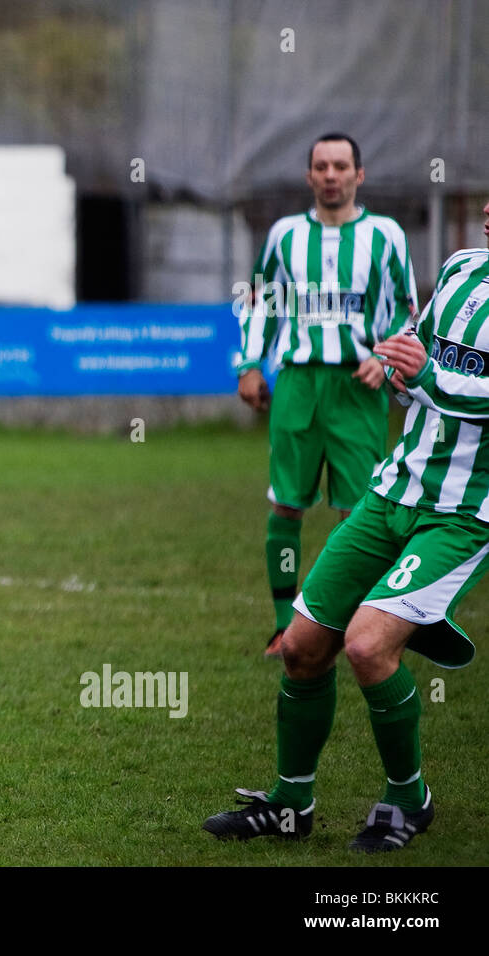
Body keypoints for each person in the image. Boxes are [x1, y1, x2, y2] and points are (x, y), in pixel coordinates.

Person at [204, 210, 489, 852]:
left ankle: (408, 799)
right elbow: (410, 350)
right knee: (304, 648)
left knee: (365, 647)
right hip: (392, 490)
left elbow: (446, 383)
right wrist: (395, 367)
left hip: (463, 513)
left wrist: (423, 378)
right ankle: (290, 803)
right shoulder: (462, 268)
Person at [236, 132, 417, 657]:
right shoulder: (284, 235)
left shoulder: (385, 235)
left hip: (356, 387)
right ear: (309, 176)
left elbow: (409, 311)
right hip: (297, 382)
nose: (331, 175)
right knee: (286, 504)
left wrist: (387, 359)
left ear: (359, 175)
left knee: (357, 512)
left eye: (341, 166)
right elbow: (261, 301)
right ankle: (280, 624)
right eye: (321, 166)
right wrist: (249, 364)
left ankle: (343, 625)